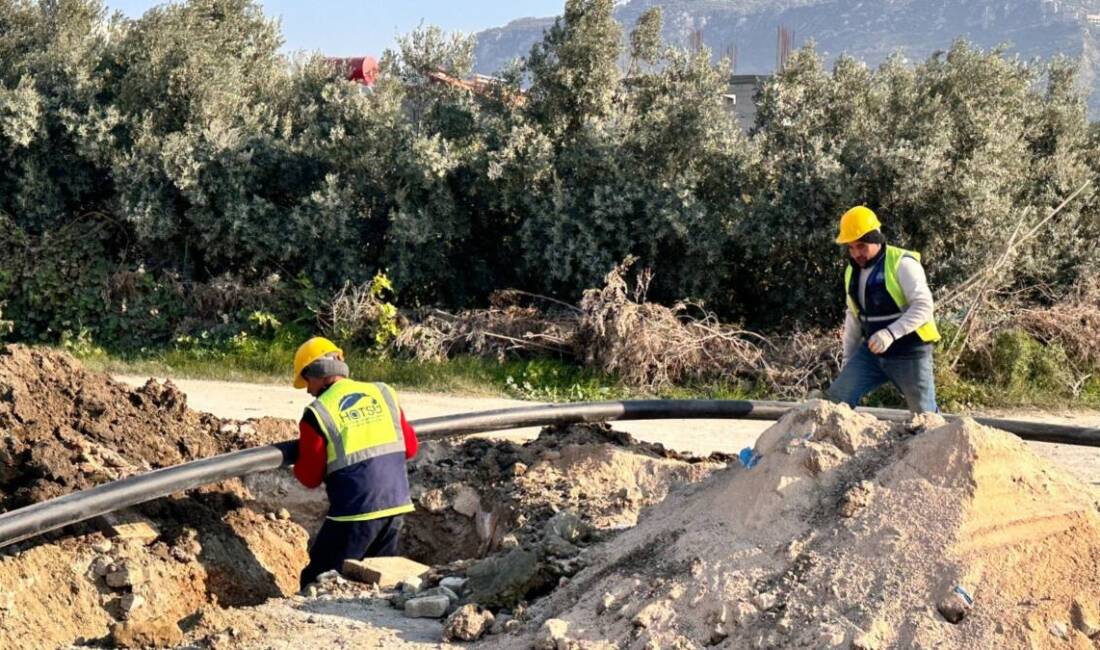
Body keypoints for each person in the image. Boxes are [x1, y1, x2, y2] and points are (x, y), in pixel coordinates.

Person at [291, 336, 419, 590]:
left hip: (355, 511)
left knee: (318, 580)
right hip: (396, 504)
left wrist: (298, 458)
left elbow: (310, 476)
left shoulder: (318, 412)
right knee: (378, 581)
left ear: (316, 373)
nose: (307, 390)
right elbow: (411, 447)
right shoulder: (383, 392)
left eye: (306, 381)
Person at [825, 206, 942, 413]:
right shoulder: (851, 271)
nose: (856, 254)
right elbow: (853, 317)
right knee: (837, 398)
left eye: (861, 246)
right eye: (851, 248)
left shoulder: (903, 264)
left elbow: (924, 307)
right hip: (872, 353)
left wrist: (890, 333)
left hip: (910, 352)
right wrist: (848, 361)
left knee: (925, 418)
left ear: (876, 239)